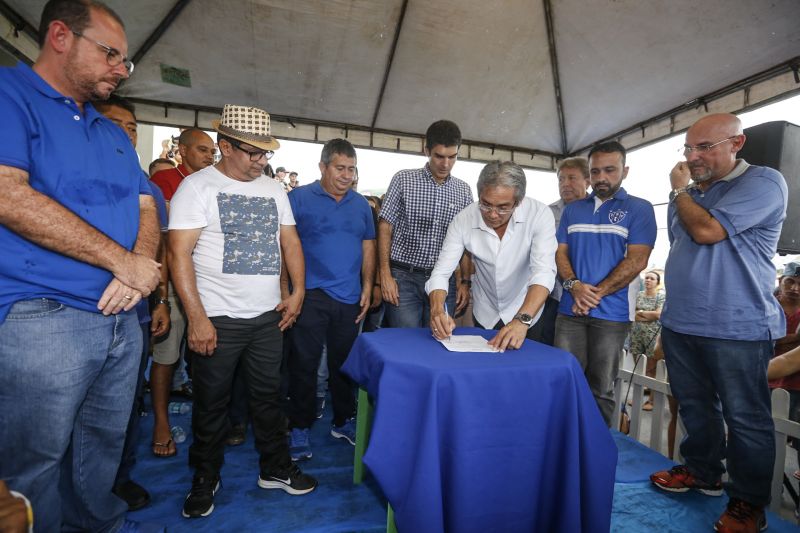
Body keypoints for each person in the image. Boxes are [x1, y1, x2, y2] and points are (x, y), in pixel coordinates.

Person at [0, 1, 161, 530]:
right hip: (42, 317)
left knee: (102, 451)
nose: (120, 68)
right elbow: (7, 193)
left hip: (122, 318)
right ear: (61, 36)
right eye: (111, 53)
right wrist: (123, 261)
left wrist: (136, 265)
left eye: (126, 61)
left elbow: (145, 206)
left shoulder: (112, 131)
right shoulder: (10, 94)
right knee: (34, 464)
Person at [169, 104, 315, 518]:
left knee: (269, 398)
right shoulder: (197, 188)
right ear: (224, 146)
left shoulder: (273, 189)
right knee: (212, 404)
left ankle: (275, 468)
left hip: (268, 317)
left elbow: (289, 243)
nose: (262, 161)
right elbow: (178, 254)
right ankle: (205, 476)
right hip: (217, 317)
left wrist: (297, 289)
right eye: (253, 152)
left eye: (265, 153)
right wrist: (196, 317)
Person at [650, 113, 787, 533]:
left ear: (737, 143)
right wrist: (684, 195)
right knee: (694, 407)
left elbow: (707, 232)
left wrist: (677, 193)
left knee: (746, 417)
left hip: (738, 326)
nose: (693, 157)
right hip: (682, 322)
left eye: (705, 147)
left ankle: (748, 503)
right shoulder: (691, 194)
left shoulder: (763, 182)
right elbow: (685, 246)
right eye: (689, 148)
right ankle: (703, 472)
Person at [94, 93, 171, 511]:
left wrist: (159, 301)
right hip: (77, 311)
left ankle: (117, 481)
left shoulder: (149, 189)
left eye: (133, 127)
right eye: (115, 124)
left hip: (135, 316)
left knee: (123, 405)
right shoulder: (77, 176)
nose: (126, 133)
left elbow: (156, 250)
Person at [554, 141, 657, 426]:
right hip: (569, 311)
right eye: (595, 171)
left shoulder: (640, 208)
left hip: (612, 315)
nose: (601, 177)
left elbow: (637, 260)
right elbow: (560, 253)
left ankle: (596, 454)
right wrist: (574, 286)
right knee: (564, 382)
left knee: (601, 389)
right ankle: (566, 448)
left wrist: (593, 294)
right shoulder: (573, 211)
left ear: (624, 171)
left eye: (609, 170)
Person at [286, 138, 376, 461]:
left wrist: (368, 286)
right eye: (340, 168)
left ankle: (343, 420)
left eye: (351, 169)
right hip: (310, 294)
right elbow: (284, 245)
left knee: (345, 365)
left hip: (349, 298)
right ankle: (299, 427)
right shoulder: (297, 198)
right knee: (304, 365)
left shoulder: (362, 205)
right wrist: (289, 291)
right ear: (322, 167)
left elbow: (368, 246)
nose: (346, 175)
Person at [427, 161, 556, 351]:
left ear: (518, 202)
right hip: (486, 310)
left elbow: (543, 272)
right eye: (485, 205)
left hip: (527, 310)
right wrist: (437, 309)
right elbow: (440, 272)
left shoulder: (539, 214)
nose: (493, 215)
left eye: (503, 207)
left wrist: (522, 320)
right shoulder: (463, 219)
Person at [149, 127, 216, 458]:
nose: (210, 156)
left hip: (210, 286)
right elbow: (161, 244)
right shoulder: (163, 184)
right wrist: (161, 296)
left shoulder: (216, 184)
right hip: (173, 285)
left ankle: (206, 424)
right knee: (166, 357)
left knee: (207, 357)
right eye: (203, 150)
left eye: (212, 151)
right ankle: (160, 423)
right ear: (183, 151)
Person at [378, 120, 473, 328]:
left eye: (452, 157)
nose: (445, 164)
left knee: (439, 340)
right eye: (439, 156)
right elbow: (385, 227)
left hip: (444, 281)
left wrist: (465, 282)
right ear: (426, 151)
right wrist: (384, 275)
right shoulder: (403, 180)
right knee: (405, 342)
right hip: (404, 278)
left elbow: (467, 241)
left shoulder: (464, 191)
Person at [539, 157, 591, 345]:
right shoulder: (547, 212)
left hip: (587, 296)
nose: (565, 184)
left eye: (572, 178)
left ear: (588, 180)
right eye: (561, 179)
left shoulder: (597, 211)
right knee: (547, 346)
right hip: (552, 295)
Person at [768, 261, 800, 480]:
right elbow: (766, 340)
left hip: (796, 383)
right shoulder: (767, 304)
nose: (795, 288)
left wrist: (781, 342)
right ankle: (769, 484)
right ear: (781, 281)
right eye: (790, 282)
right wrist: (795, 339)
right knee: (766, 435)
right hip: (768, 379)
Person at [629, 270, 665, 410]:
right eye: (647, 278)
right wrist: (646, 315)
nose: (648, 280)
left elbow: (658, 315)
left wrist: (640, 313)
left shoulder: (660, 297)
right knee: (638, 369)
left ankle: (651, 401)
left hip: (652, 337)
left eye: (652, 278)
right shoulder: (638, 295)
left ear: (657, 282)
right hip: (636, 336)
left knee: (651, 369)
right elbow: (632, 314)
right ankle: (637, 398)